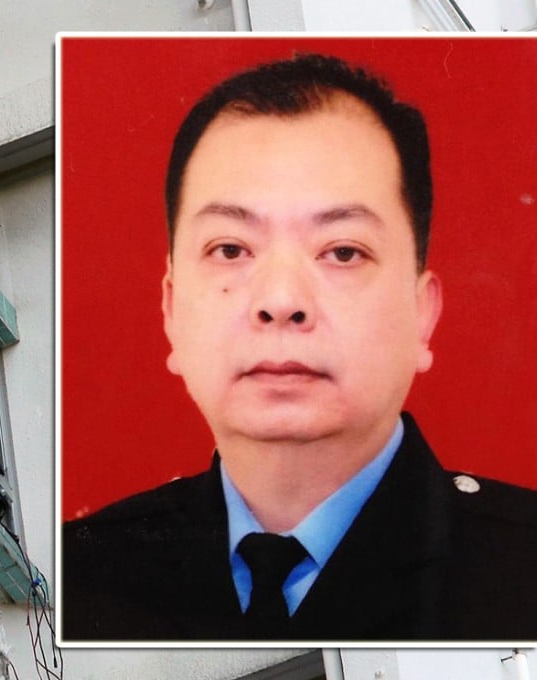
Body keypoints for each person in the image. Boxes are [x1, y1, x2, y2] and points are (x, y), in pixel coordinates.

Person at [61, 53, 537, 642]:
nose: (281, 300)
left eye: (342, 251)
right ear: (170, 309)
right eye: (231, 250)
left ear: (423, 313)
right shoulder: (77, 578)